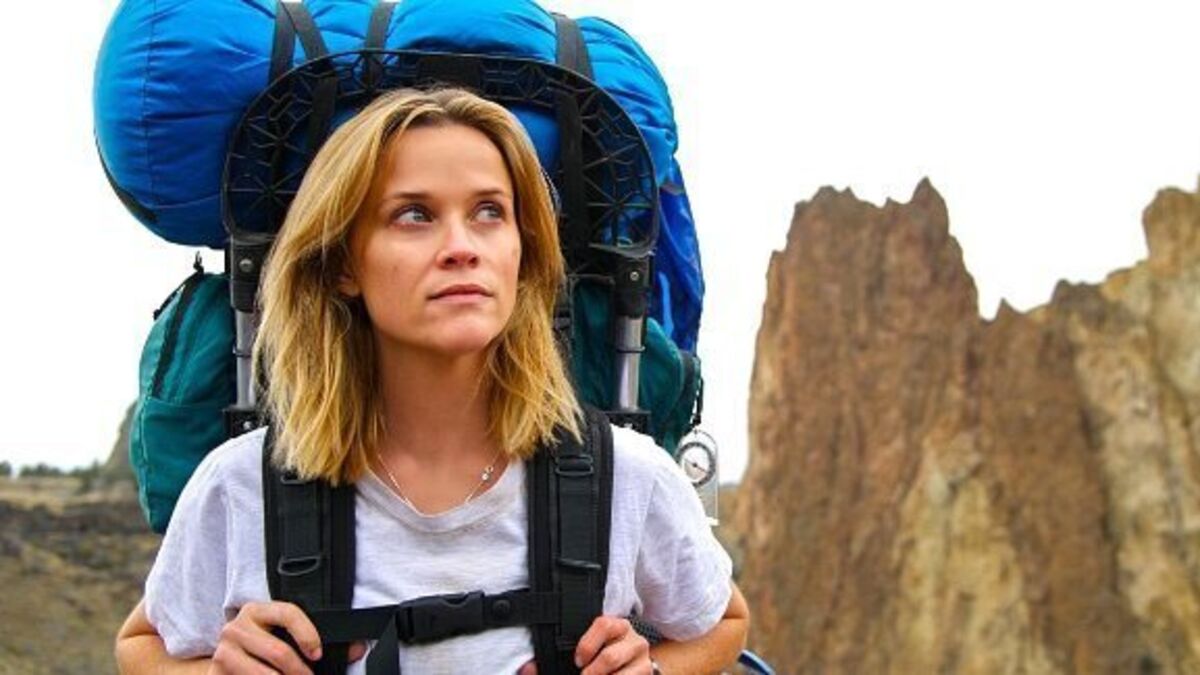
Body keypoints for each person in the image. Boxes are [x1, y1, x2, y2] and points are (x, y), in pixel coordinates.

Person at [114, 87, 748, 674]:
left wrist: (653, 671)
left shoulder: (627, 478)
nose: (462, 247)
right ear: (343, 264)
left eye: (490, 212)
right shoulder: (242, 485)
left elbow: (723, 622)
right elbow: (141, 645)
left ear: (522, 252)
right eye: (414, 215)